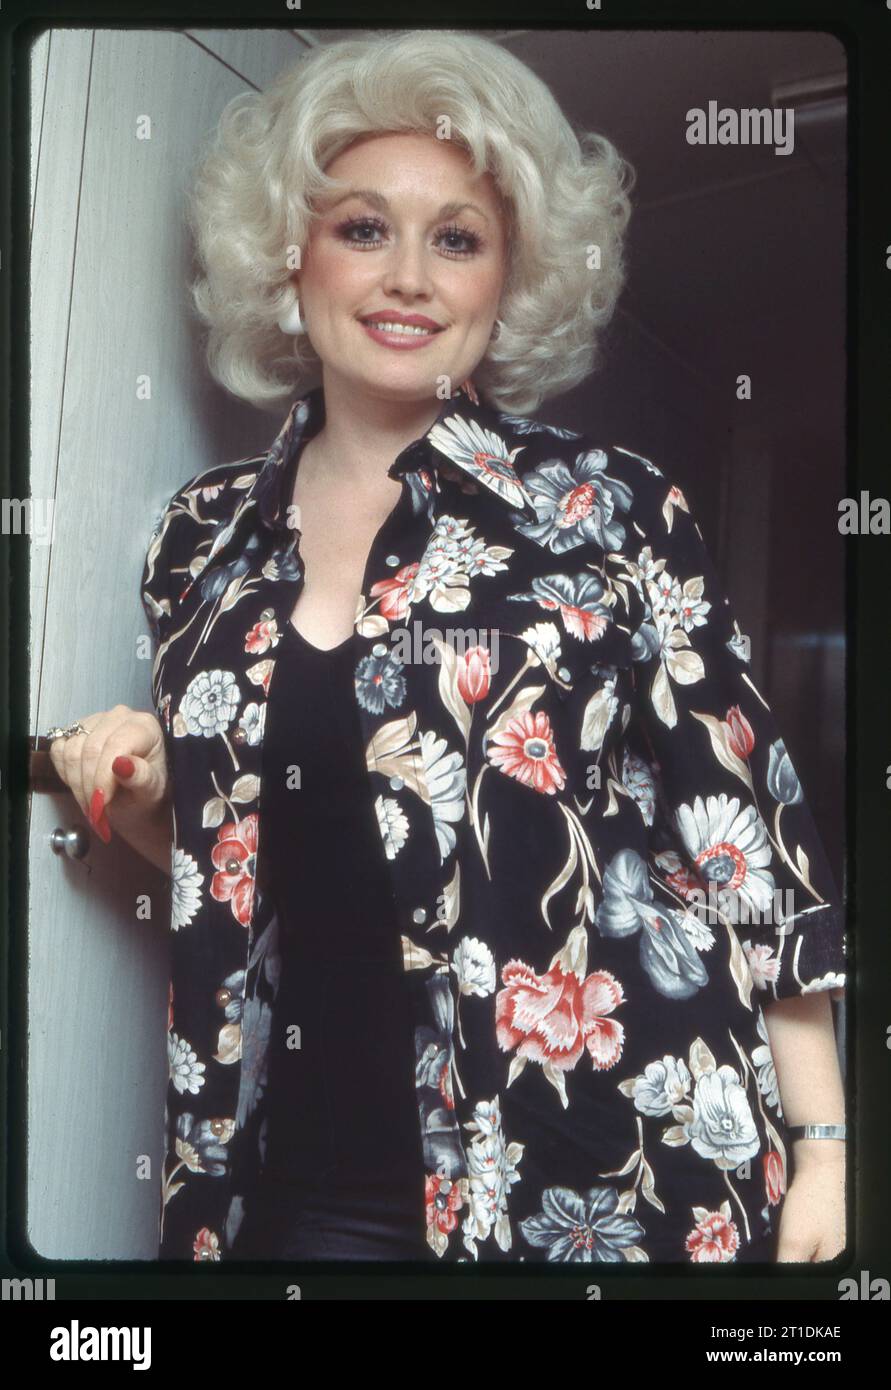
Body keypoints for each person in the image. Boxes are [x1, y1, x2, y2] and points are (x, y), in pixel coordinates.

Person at [47, 30, 846, 1264]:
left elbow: (752, 853)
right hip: (279, 1182)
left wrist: (831, 1152)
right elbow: (253, 862)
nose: (408, 275)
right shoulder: (202, 539)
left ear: (508, 278)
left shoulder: (610, 508)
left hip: (592, 1187)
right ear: (289, 256)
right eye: (364, 228)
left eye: (457, 237)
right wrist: (156, 799)